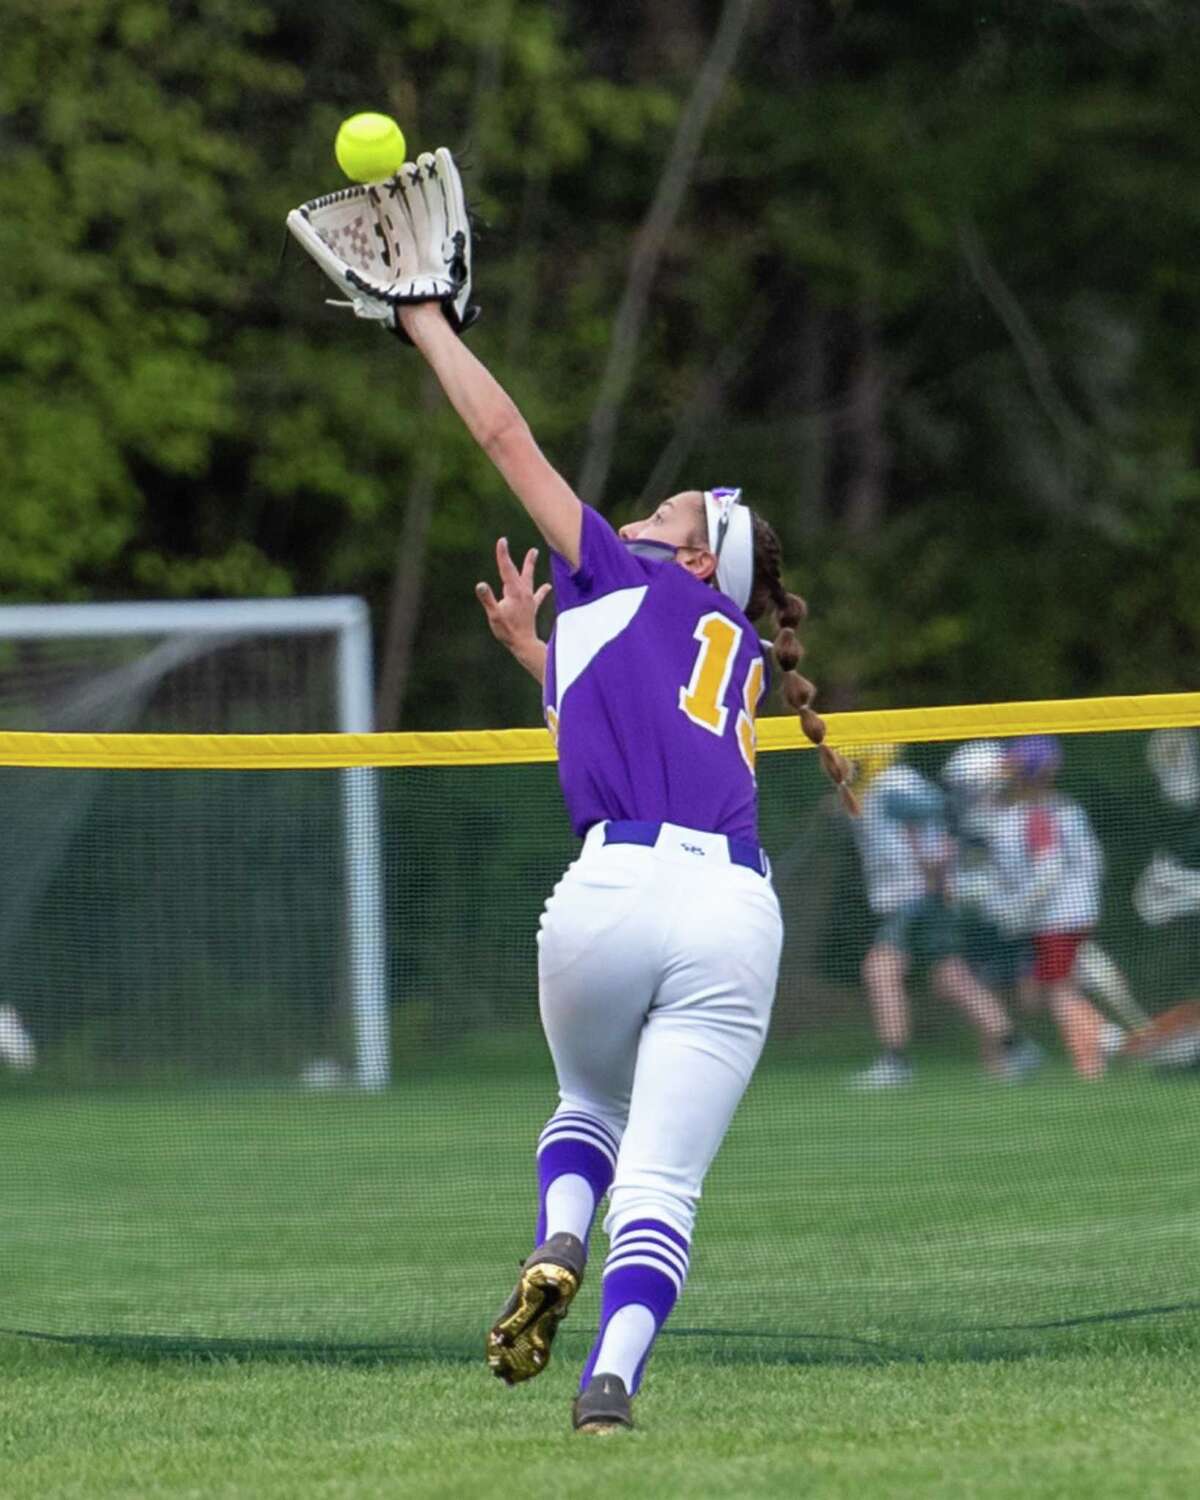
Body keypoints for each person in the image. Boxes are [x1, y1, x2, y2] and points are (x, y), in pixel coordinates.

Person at [389, 281, 857, 1433]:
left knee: (588, 1100)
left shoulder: (626, 574)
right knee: (664, 1188)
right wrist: (535, 655)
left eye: (670, 514)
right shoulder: (737, 653)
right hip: (733, 911)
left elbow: (503, 435)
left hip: (610, 889)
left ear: (698, 564)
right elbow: (639, 719)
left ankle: (559, 1231)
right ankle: (610, 1389)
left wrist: (424, 323)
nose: (644, 516)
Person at [849, 743, 1040, 1088]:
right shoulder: (877, 787)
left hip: (914, 894)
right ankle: (1015, 1046)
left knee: (880, 971)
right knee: (951, 979)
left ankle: (896, 1062)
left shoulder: (892, 784)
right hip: (921, 894)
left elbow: (929, 812)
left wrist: (933, 863)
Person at [989, 736, 1112, 1078]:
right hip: (1074, 911)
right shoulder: (1060, 808)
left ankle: (1094, 1060)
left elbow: (1048, 871)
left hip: (1057, 916)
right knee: (1054, 987)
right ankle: (1098, 1052)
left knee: (1059, 990)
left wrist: (1016, 910)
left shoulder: (1040, 813)